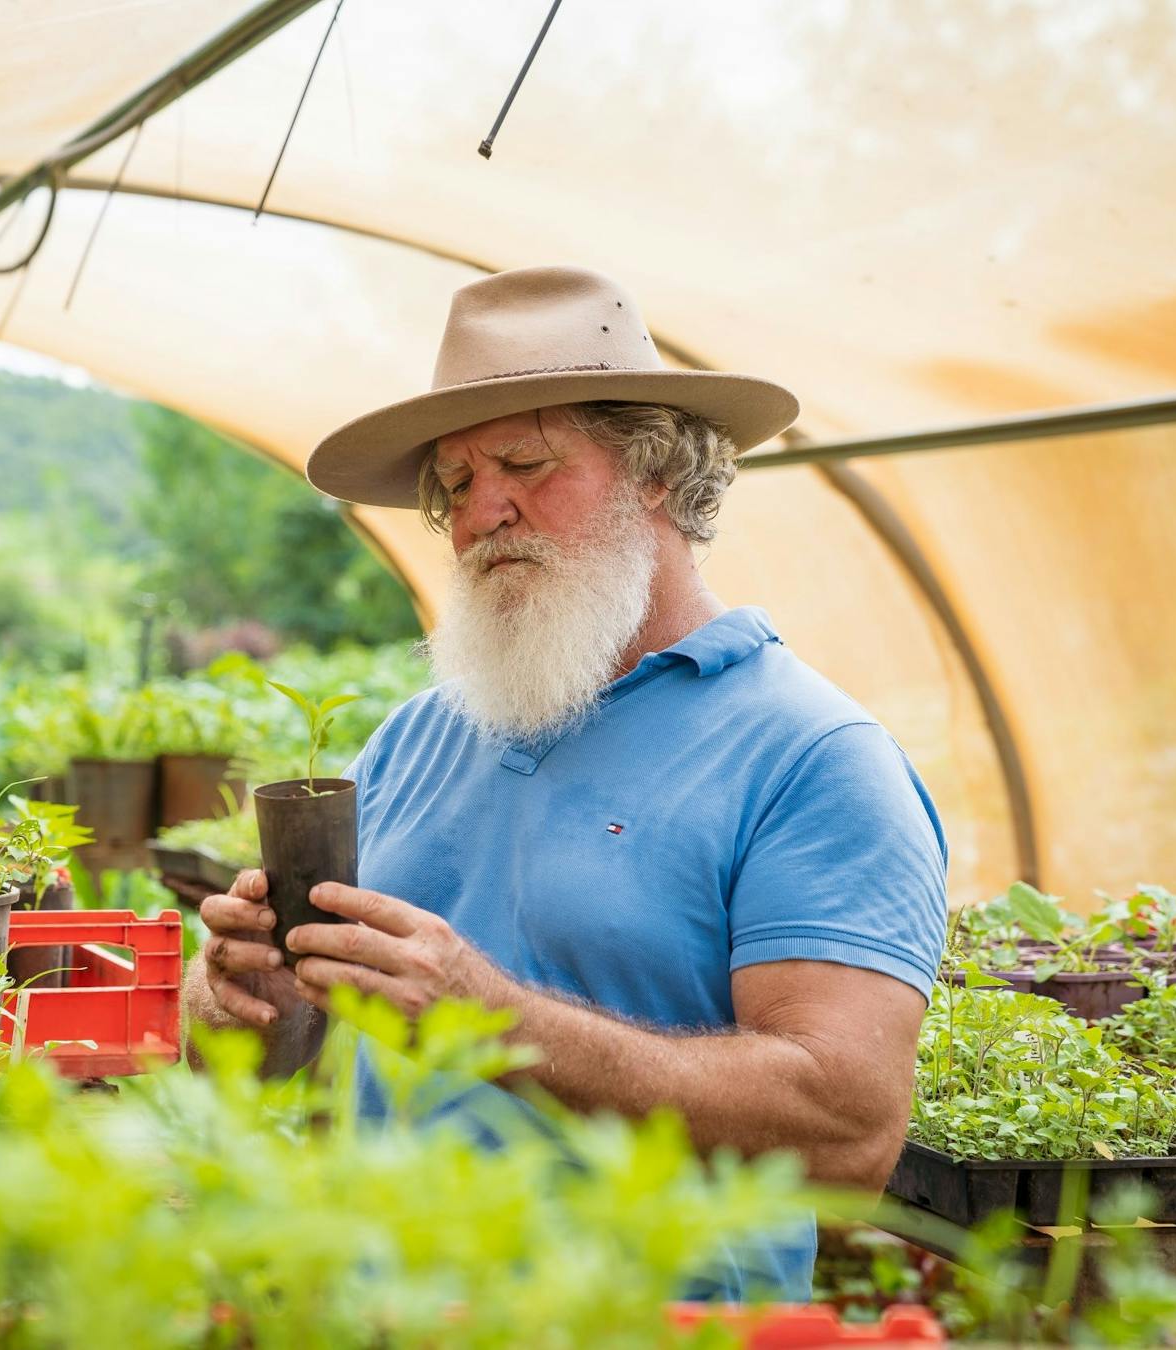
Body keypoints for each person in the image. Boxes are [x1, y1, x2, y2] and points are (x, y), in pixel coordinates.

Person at [181, 265, 948, 1298]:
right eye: (453, 485)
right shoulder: (416, 738)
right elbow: (300, 1067)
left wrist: (498, 1022)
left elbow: (847, 1129)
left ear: (657, 474)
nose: (478, 514)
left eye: (527, 464)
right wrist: (249, 1005)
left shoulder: (811, 758)